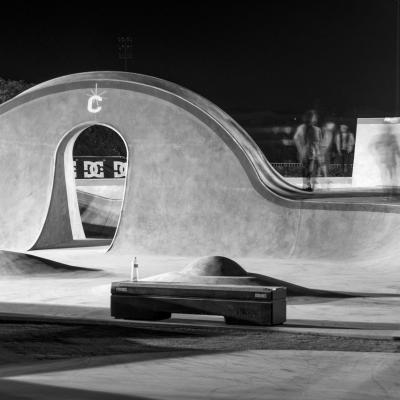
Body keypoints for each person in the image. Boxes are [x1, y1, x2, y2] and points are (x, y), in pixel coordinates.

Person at [293, 110, 322, 191]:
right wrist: (300, 149)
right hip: (305, 151)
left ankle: (307, 185)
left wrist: (318, 153)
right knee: (306, 168)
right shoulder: (303, 128)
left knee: (309, 169)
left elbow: (317, 142)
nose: (314, 119)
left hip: (310, 152)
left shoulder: (316, 129)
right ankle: (306, 185)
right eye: (313, 117)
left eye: (314, 117)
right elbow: (296, 138)